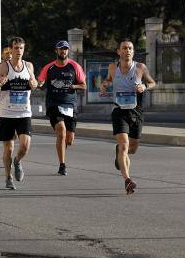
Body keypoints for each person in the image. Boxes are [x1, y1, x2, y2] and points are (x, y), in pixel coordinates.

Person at [99, 40, 156, 194]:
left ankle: (120, 152)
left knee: (132, 148)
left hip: (136, 111)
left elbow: (152, 83)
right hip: (119, 111)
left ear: (133, 51)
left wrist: (144, 87)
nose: (128, 50)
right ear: (119, 52)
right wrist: (104, 85)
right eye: (124, 48)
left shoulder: (140, 68)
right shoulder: (113, 67)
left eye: (130, 48)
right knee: (124, 145)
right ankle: (127, 180)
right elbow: (108, 80)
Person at [0, 37, 38, 190]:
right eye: (16, 48)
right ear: (10, 50)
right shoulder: (3, 67)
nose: (19, 51)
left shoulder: (28, 66)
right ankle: (7, 176)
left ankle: (17, 161)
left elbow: (34, 83)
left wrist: (34, 84)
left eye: (21, 48)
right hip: (7, 113)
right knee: (8, 148)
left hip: (24, 113)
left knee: (24, 145)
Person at [38, 40, 87, 176]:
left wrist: (74, 86)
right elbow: (40, 81)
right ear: (56, 51)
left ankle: (62, 150)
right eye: (61, 49)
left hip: (70, 105)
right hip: (54, 104)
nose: (63, 51)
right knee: (61, 131)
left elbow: (84, 85)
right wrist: (40, 83)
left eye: (65, 49)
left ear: (68, 51)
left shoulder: (74, 66)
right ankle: (62, 165)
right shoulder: (49, 67)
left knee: (69, 139)